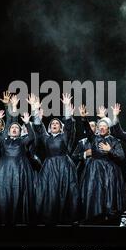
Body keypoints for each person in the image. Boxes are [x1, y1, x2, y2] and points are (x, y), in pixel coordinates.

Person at [33, 93, 79, 224]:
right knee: (49, 191)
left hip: (64, 166)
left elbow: (69, 126)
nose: (54, 124)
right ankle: (48, 217)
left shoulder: (64, 136)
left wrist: (66, 107)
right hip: (49, 167)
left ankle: (66, 218)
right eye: (52, 123)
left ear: (60, 127)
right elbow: (38, 127)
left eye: (57, 123)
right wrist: (35, 110)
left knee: (64, 191)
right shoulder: (46, 137)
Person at [0, 107, 36, 225]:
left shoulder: (23, 141)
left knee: (18, 193)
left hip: (20, 170)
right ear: (8, 131)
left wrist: (27, 123)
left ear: (20, 132)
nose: (14, 129)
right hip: (4, 171)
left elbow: (32, 137)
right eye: (12, 128)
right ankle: (3, 218)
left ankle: (18, 219)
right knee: (4, 194)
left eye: (17, 128)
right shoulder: (4, 141)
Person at [79, 104, 125, 223]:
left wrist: (110, 150)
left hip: (109, 172)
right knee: (95, 193)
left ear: (109, 128)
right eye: (100, 126)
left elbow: (121, 157)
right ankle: (94, 217)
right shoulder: (94, 138)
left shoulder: (114, 140)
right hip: (95, 171)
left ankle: (109, 219)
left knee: (108, 195)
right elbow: (88, 129)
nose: (102, 128)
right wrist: (84, 118)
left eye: (105, 126)